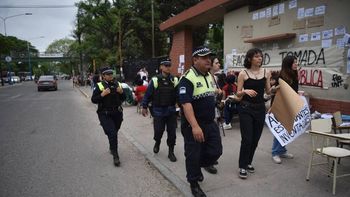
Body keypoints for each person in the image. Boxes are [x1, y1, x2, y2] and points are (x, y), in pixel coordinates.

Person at [178, 46, 223, 197]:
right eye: (204, 57)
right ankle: (194, 182)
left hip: (210, 122)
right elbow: (186, 104)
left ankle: (198, 165)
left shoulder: (209, 76)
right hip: (194, 125)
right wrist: (195, 127)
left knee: (216, 151)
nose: (208, 60)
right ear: (195, 59)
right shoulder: (187, 78)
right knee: (193, 154)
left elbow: (210, 96)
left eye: (209, 57)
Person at [235, 48, 274, 179]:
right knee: (247, 139)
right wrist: (245, 91)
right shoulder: (243, 73)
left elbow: (268, 92)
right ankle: (242, 165)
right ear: (250, 59)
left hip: (260, 108)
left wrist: (277, 88)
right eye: (257, 56)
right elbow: (237, 94)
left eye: (261, 56)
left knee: (255, 140)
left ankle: (248, 162)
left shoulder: (266, 73)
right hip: (245, 108)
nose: (260, 59)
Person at [141, 59, 178, 162]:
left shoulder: (174, 80)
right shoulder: (155, 80)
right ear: (161, 67)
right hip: (158, 111)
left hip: (171, 110)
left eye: (169, 65)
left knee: (172, 133)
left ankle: (171, 151)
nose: (168, 67)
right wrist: (144, 106)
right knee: (158, 131)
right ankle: (157, 142)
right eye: (166, 65)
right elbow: (148, 94)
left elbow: (179, 95)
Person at [91, 66, 125, 167]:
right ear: (103, 76)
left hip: (117, 113)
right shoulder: (99, 86)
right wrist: (102, 94)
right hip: (105, 113)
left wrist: (122, 92)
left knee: (115, 131)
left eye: (111, 74)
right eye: (108, 74)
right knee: (112, 133)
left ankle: (112, 146)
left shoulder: (118, 84)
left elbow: (124, 98)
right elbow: (93, 100)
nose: (110, 76)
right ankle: (116, 156)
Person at [271, 55, 298, 164]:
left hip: (290, 106)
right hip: (280, 106)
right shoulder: (281, 76)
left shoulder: (294, 74)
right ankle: (275, 152)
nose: (296, 64)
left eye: (296, 62)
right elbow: (274, 91)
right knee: (280, 130)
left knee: (287, 129)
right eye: (294, 62)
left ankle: (282, 150)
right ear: (288, 64)